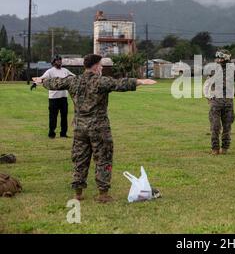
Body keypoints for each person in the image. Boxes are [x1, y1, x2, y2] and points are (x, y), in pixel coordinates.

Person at [33, 54, 157, 203]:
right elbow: (119, 83)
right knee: (103, 159)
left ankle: (78, 193)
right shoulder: (100, 81)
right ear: (96, 66)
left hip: (79, 128)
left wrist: (41, 81)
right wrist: (140, 81)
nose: (102, 68)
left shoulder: (74, 81)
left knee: (80, 159)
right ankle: (103, 194)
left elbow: (55, 83)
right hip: (99, 127)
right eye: (101, 65)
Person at [39, 55, 75, 138]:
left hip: (63, 98)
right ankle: (51, 133)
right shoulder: (50, 71)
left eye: (60, 60)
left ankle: (63, 133)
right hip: (53, 98)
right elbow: (42, 78)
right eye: (57, 60)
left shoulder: (65, 70)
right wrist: (35, 83)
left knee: (64, 116)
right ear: (54, 62)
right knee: (53, 116)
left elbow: (74, 77)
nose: (59, 62)